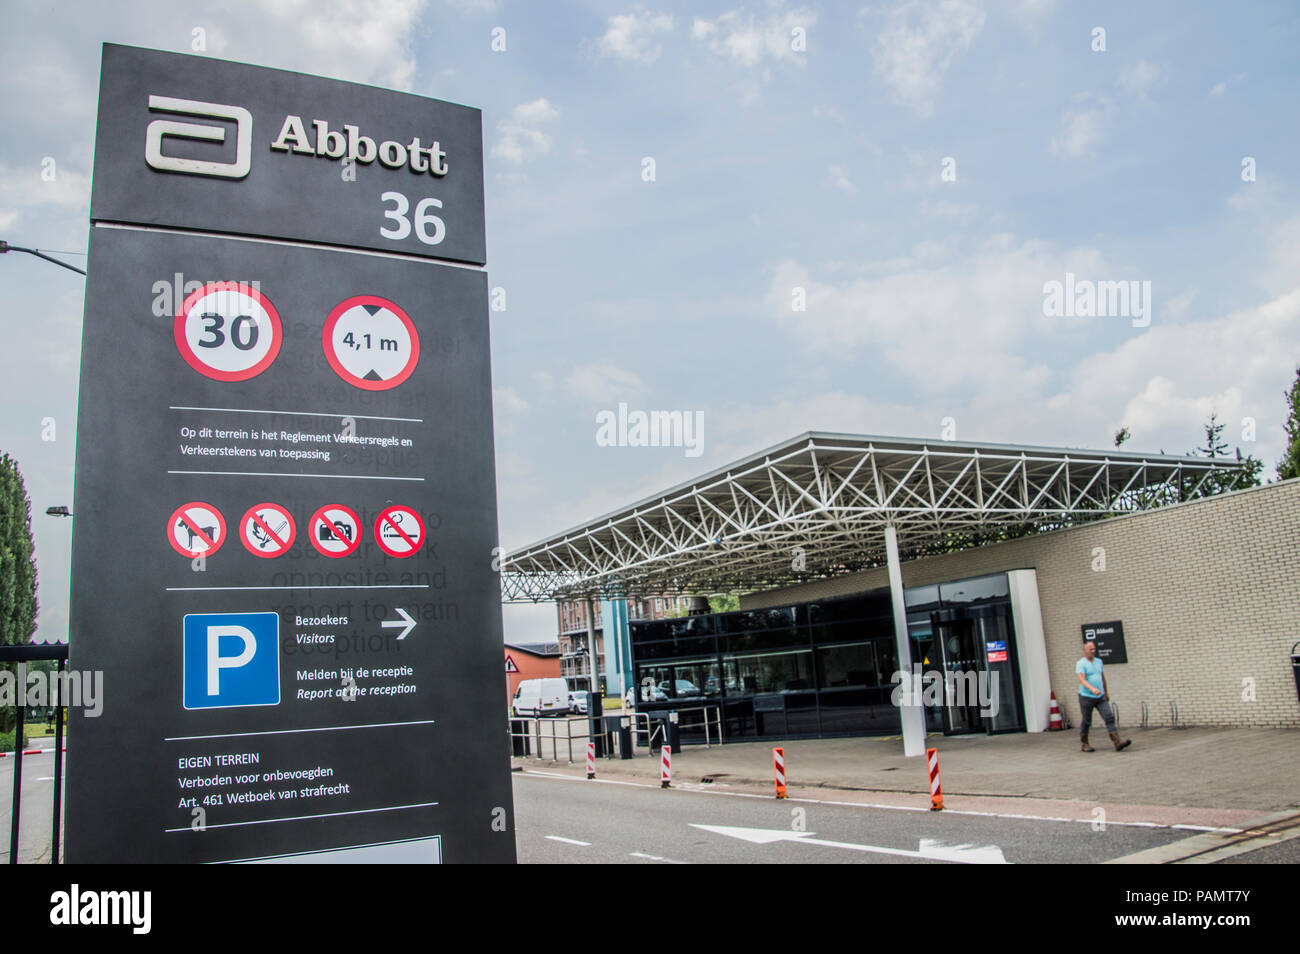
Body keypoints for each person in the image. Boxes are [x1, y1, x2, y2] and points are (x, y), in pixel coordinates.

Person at [1076, 641, 1131, 752]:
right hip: (1086, 697)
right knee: (1087, 721)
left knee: (1109, 717)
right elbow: (1082, 679)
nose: (1093, 651)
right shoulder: (1081, 663)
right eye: (1090, 649)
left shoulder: (1099, 662)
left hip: (1100, 697)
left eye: (1094, 649)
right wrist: (1092, 689)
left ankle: (1117, 742)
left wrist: (1105, 691)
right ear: (1085, 650)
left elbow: (1102, 677)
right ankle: (1084, 744)